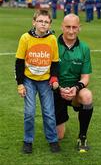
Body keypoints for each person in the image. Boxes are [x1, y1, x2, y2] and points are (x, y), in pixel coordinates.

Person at [15, 9, 60, 154]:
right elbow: (19, 62)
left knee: (48, 112)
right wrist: (20, 84)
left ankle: (53, 140)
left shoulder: (52, 39)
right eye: (40, 21)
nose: (43, 24)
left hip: (46, 81)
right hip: (29, 80)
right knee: (29, 112)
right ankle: (28, 141)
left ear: (50, 24)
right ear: (34, 22)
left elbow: (55, 62)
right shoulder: (25, 38)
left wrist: (54, 78)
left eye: (46, 22)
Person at [54, 13, 93, 153]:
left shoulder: (84, 48)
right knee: (59, 136)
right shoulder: (52, 44)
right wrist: (59, 89)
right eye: (68, 27)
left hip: (74, 92)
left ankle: (82, 137)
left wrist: (76, 88)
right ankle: (59, 120)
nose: (71, 31)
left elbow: (85, 78)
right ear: (62, 27)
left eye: (74, 27)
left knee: (87, 96)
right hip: (55, 90)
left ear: (79, 28)